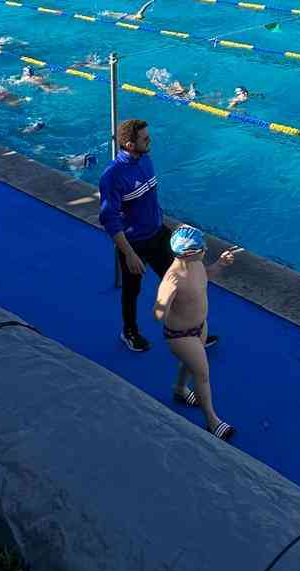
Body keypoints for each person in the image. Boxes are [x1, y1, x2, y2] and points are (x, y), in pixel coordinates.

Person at [154, 225, 240, 441]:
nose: (206, 249)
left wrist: (220, 264)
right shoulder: (172, 280)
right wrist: (165, 299)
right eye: (203, 248)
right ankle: (212, 421)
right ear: (191, 253)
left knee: (189, 365)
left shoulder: (196, 264)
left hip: (199, 327)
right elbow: (157, 315)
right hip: (180, 335)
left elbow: (205, 278)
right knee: (202, 374)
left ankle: (180, 389)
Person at [99, 119, 178, 354]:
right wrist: (129, 254)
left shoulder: (146, 159)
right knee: (132, 291)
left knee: (179, 283)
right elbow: (109, 219)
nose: (149, 141)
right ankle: (130, 332)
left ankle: (187, 330)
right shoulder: (112, 176)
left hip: (158, 234)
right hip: (134, 243)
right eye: (144, 139)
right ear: (129, 144)